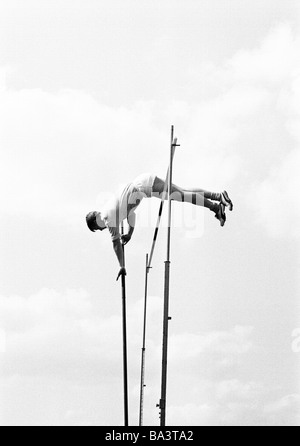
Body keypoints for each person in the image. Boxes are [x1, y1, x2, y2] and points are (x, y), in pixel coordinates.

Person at [86, 173, 233, 280]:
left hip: (144, 186)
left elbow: (116, 243)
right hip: (143, 184)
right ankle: (218, 198)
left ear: (95, 225)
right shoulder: (113, 211)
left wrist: (122, 266)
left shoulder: (107, 218)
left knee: (182, 195)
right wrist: (130, 234)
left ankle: (216, 206)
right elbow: (131, 215)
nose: (102, 230)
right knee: (183, 193)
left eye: (98, 229)